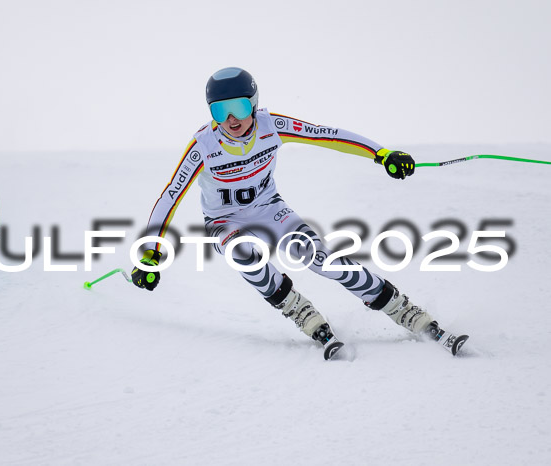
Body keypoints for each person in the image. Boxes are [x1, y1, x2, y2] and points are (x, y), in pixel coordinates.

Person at [131, 67, 467, 359]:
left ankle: (404, 310)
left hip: (271, 210)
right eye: (220, 111)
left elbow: (328, 136)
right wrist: (150, 253)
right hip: (224, 221)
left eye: (239, 106)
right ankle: (301, 312)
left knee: (320, 259)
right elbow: (171, 195)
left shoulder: (271, 126)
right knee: (243, 254)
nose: (231, 119)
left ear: (254, 103)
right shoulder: (204, 144)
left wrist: (382, 154)